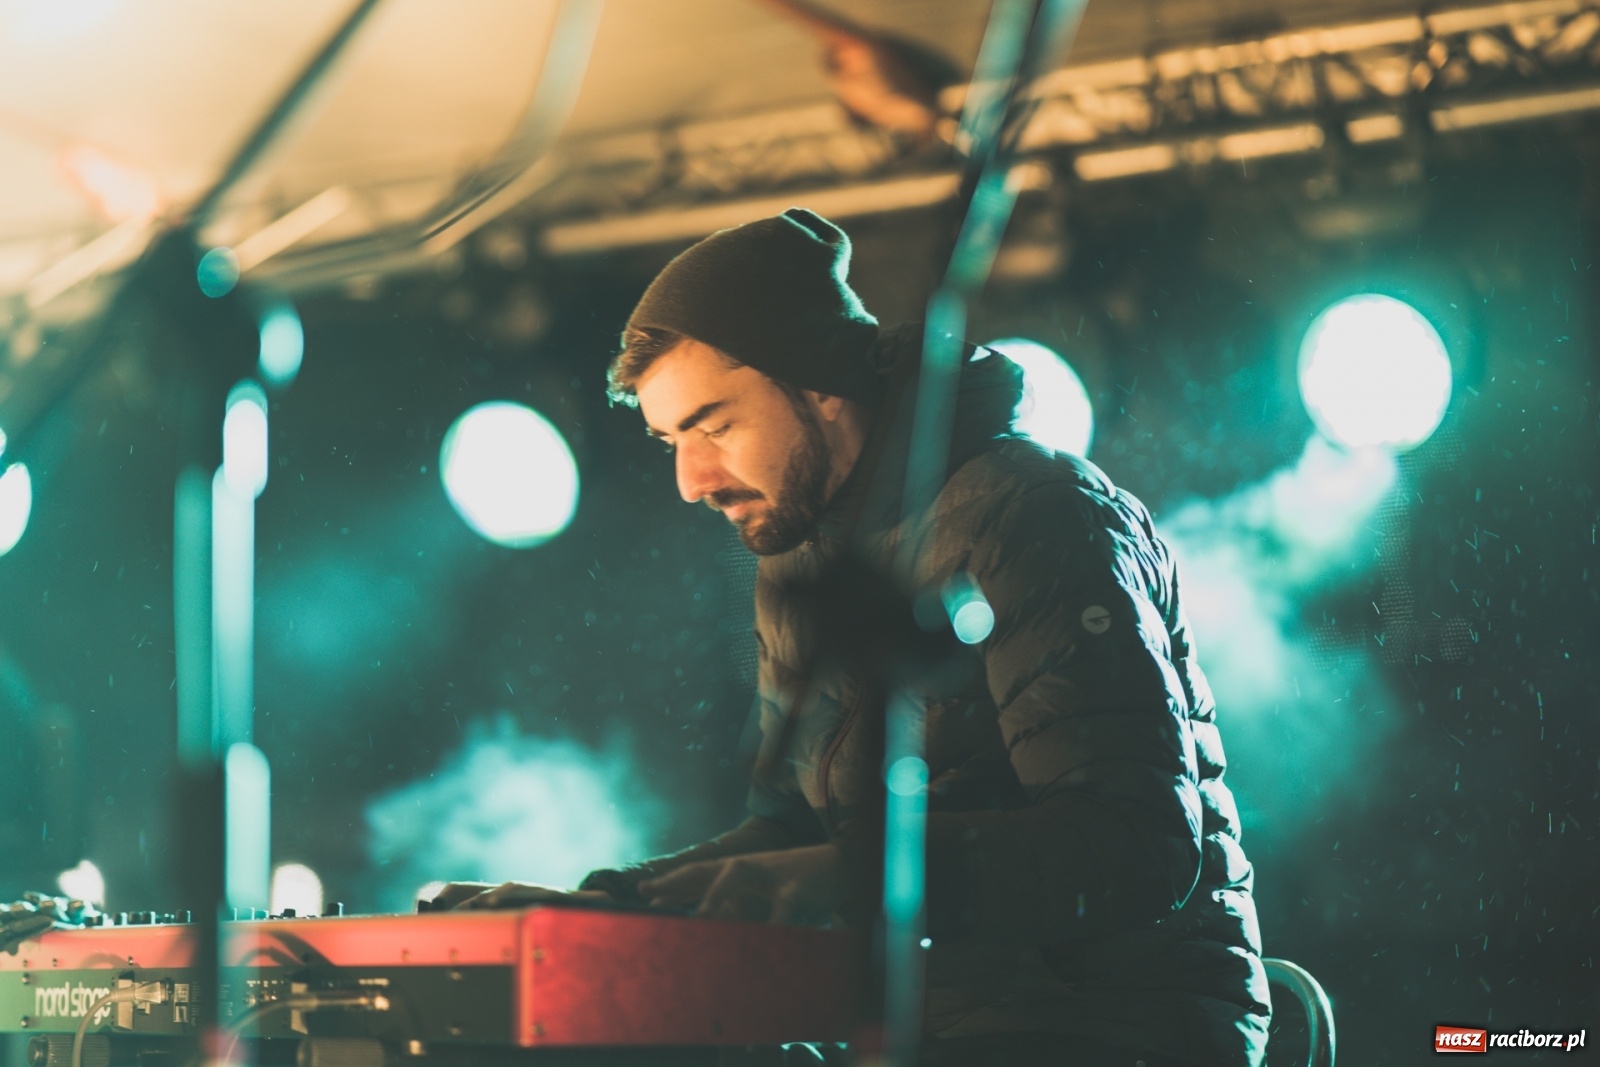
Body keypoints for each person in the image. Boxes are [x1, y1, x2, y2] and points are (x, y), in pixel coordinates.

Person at [451, 209, 1270, 1066]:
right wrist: (605, 906)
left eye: (715, 425)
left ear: (820, 386)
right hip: (921, 1026)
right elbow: (792, 830)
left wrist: (835, 877)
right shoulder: (800, 556)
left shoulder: (1035, 512)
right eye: (671, 442)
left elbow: (1134, 845)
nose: (691, 480)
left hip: (1112, 1029)